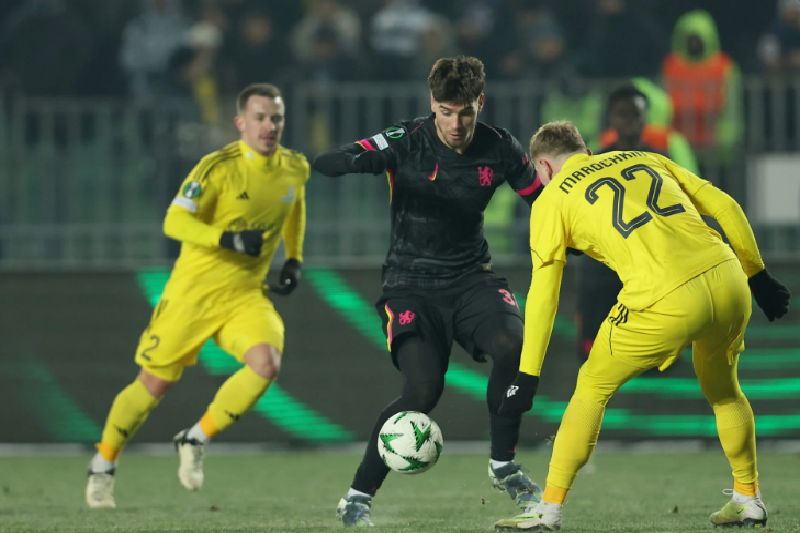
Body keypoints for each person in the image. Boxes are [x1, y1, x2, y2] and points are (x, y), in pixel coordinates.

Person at [494, 121, 790, 531]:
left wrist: (528, 374)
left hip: (664, 297)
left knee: (592, 387)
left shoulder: (551, 198)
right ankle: (749, 498)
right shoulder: (643, 157)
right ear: (587, 153)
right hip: (728, 279)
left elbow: (545, 293)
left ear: (543, 167)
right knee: (725, 391)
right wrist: (757, 274)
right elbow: (725, 205)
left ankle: (548, 510)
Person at [313, 56, 544, 527]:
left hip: (472, 278)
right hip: (410, 285)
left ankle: (503, 464)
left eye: (465, 112)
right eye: (445, 111)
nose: (455, 124)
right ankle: (356, 496)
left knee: (513, 345)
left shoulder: (501, 148)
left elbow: (543, 203)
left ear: (480, 103)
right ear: (432, 104)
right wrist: (361, 160)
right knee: (423, 390)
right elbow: (327, 162)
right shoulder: (406, 139)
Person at [85, 83, 309, 508]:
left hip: (245, 296)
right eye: (260, 118)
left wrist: (294, 258)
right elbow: (174, 222)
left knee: (266, 364)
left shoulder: (294, 167)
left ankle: (195, 438)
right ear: (241, 123)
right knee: (153, 385)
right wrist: (227, 238)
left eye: (276, 118)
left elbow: (294, 207)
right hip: (193, 295)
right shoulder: (216, 168)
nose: (269, 126)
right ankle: (103, 465)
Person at [579, 84, 695, 364]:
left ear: (645, 118)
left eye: (636, 114)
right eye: (623, 114)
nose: (629, 121)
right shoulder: (594, 163)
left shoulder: (661, 161)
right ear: (611, 117)